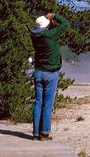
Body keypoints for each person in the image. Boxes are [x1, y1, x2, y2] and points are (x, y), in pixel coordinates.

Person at [30, 11, 69, 141]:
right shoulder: (50, 35)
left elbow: (40, 30)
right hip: (50, 73)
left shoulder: (34, 35)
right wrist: (53, 16)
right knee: (47, 104)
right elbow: (65, 23)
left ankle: (36, 134)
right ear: (46, 26)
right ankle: (44, 133)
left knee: (38, 102)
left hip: (38, 72)